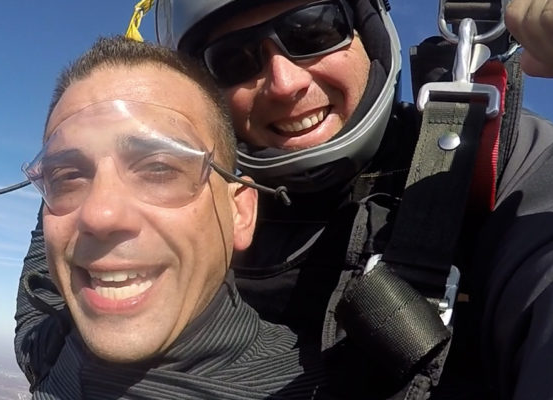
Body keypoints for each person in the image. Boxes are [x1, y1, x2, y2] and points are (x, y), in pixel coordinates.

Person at [2, 0, 553, 398]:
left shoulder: (495, 178)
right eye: (233, 60)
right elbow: (45, 304)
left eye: (315, 26)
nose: (286, 81)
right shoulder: (164, 215)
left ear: (372, 30)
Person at [23, 36, 331, 399]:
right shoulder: (45, 345)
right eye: (69, 177)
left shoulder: (326, 390)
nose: (99, 214)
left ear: (240, 212)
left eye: (158, 168)